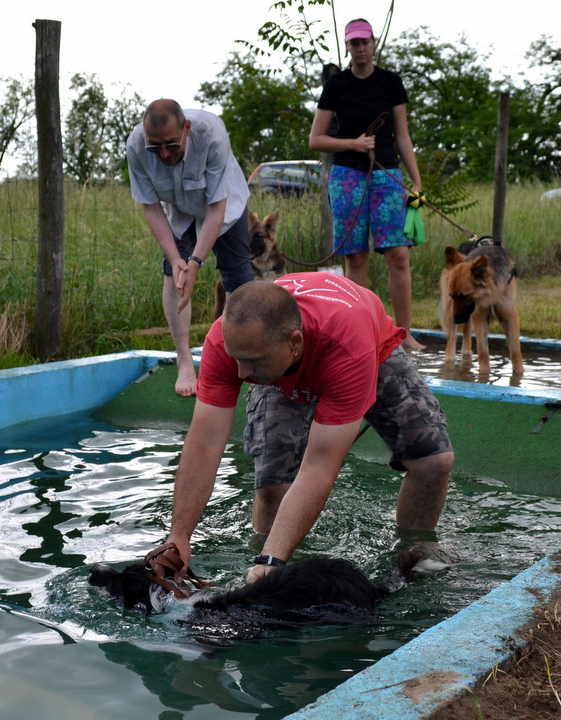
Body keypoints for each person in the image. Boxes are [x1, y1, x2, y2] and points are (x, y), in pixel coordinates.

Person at [155, 272, 454, 584]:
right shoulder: (229, 343)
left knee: (433, 461)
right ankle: (263, 563)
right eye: (236, 358)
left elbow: (319, 466)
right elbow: (204, 442)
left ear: (294, 342)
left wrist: (272, 561)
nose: (242, 374)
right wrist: (179, 537)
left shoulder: (347, 347)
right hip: (280, 364)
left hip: (364, 348)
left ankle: (412, 558)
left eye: (251, 362)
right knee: (274, 487)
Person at [309, 18, 425, 352]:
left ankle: (404, 335)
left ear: (373, 43)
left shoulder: (391, 82)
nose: (360, 48)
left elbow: (402, 135)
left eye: (365, 42)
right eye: (354, 43)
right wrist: (353, 144)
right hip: (347, 176)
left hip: (387, 174)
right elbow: (316, 139)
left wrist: (416, 180)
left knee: (398, 255)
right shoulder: (336, 85)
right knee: (356, 259)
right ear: (347, 47)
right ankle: (366, 334)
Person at [127, 99, 256, 397]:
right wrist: (176, 259)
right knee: (174, 274)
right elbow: (151, 207)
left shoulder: (213, 135)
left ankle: (238, 356)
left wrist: (196, 261)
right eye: (155, 146)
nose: (164, 154)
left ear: (187, 128)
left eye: (172, 144)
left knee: (238, 278)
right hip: (177, 208)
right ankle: (185, 360)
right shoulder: (135, 145)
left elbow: (216, 208)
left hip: (224, 204)